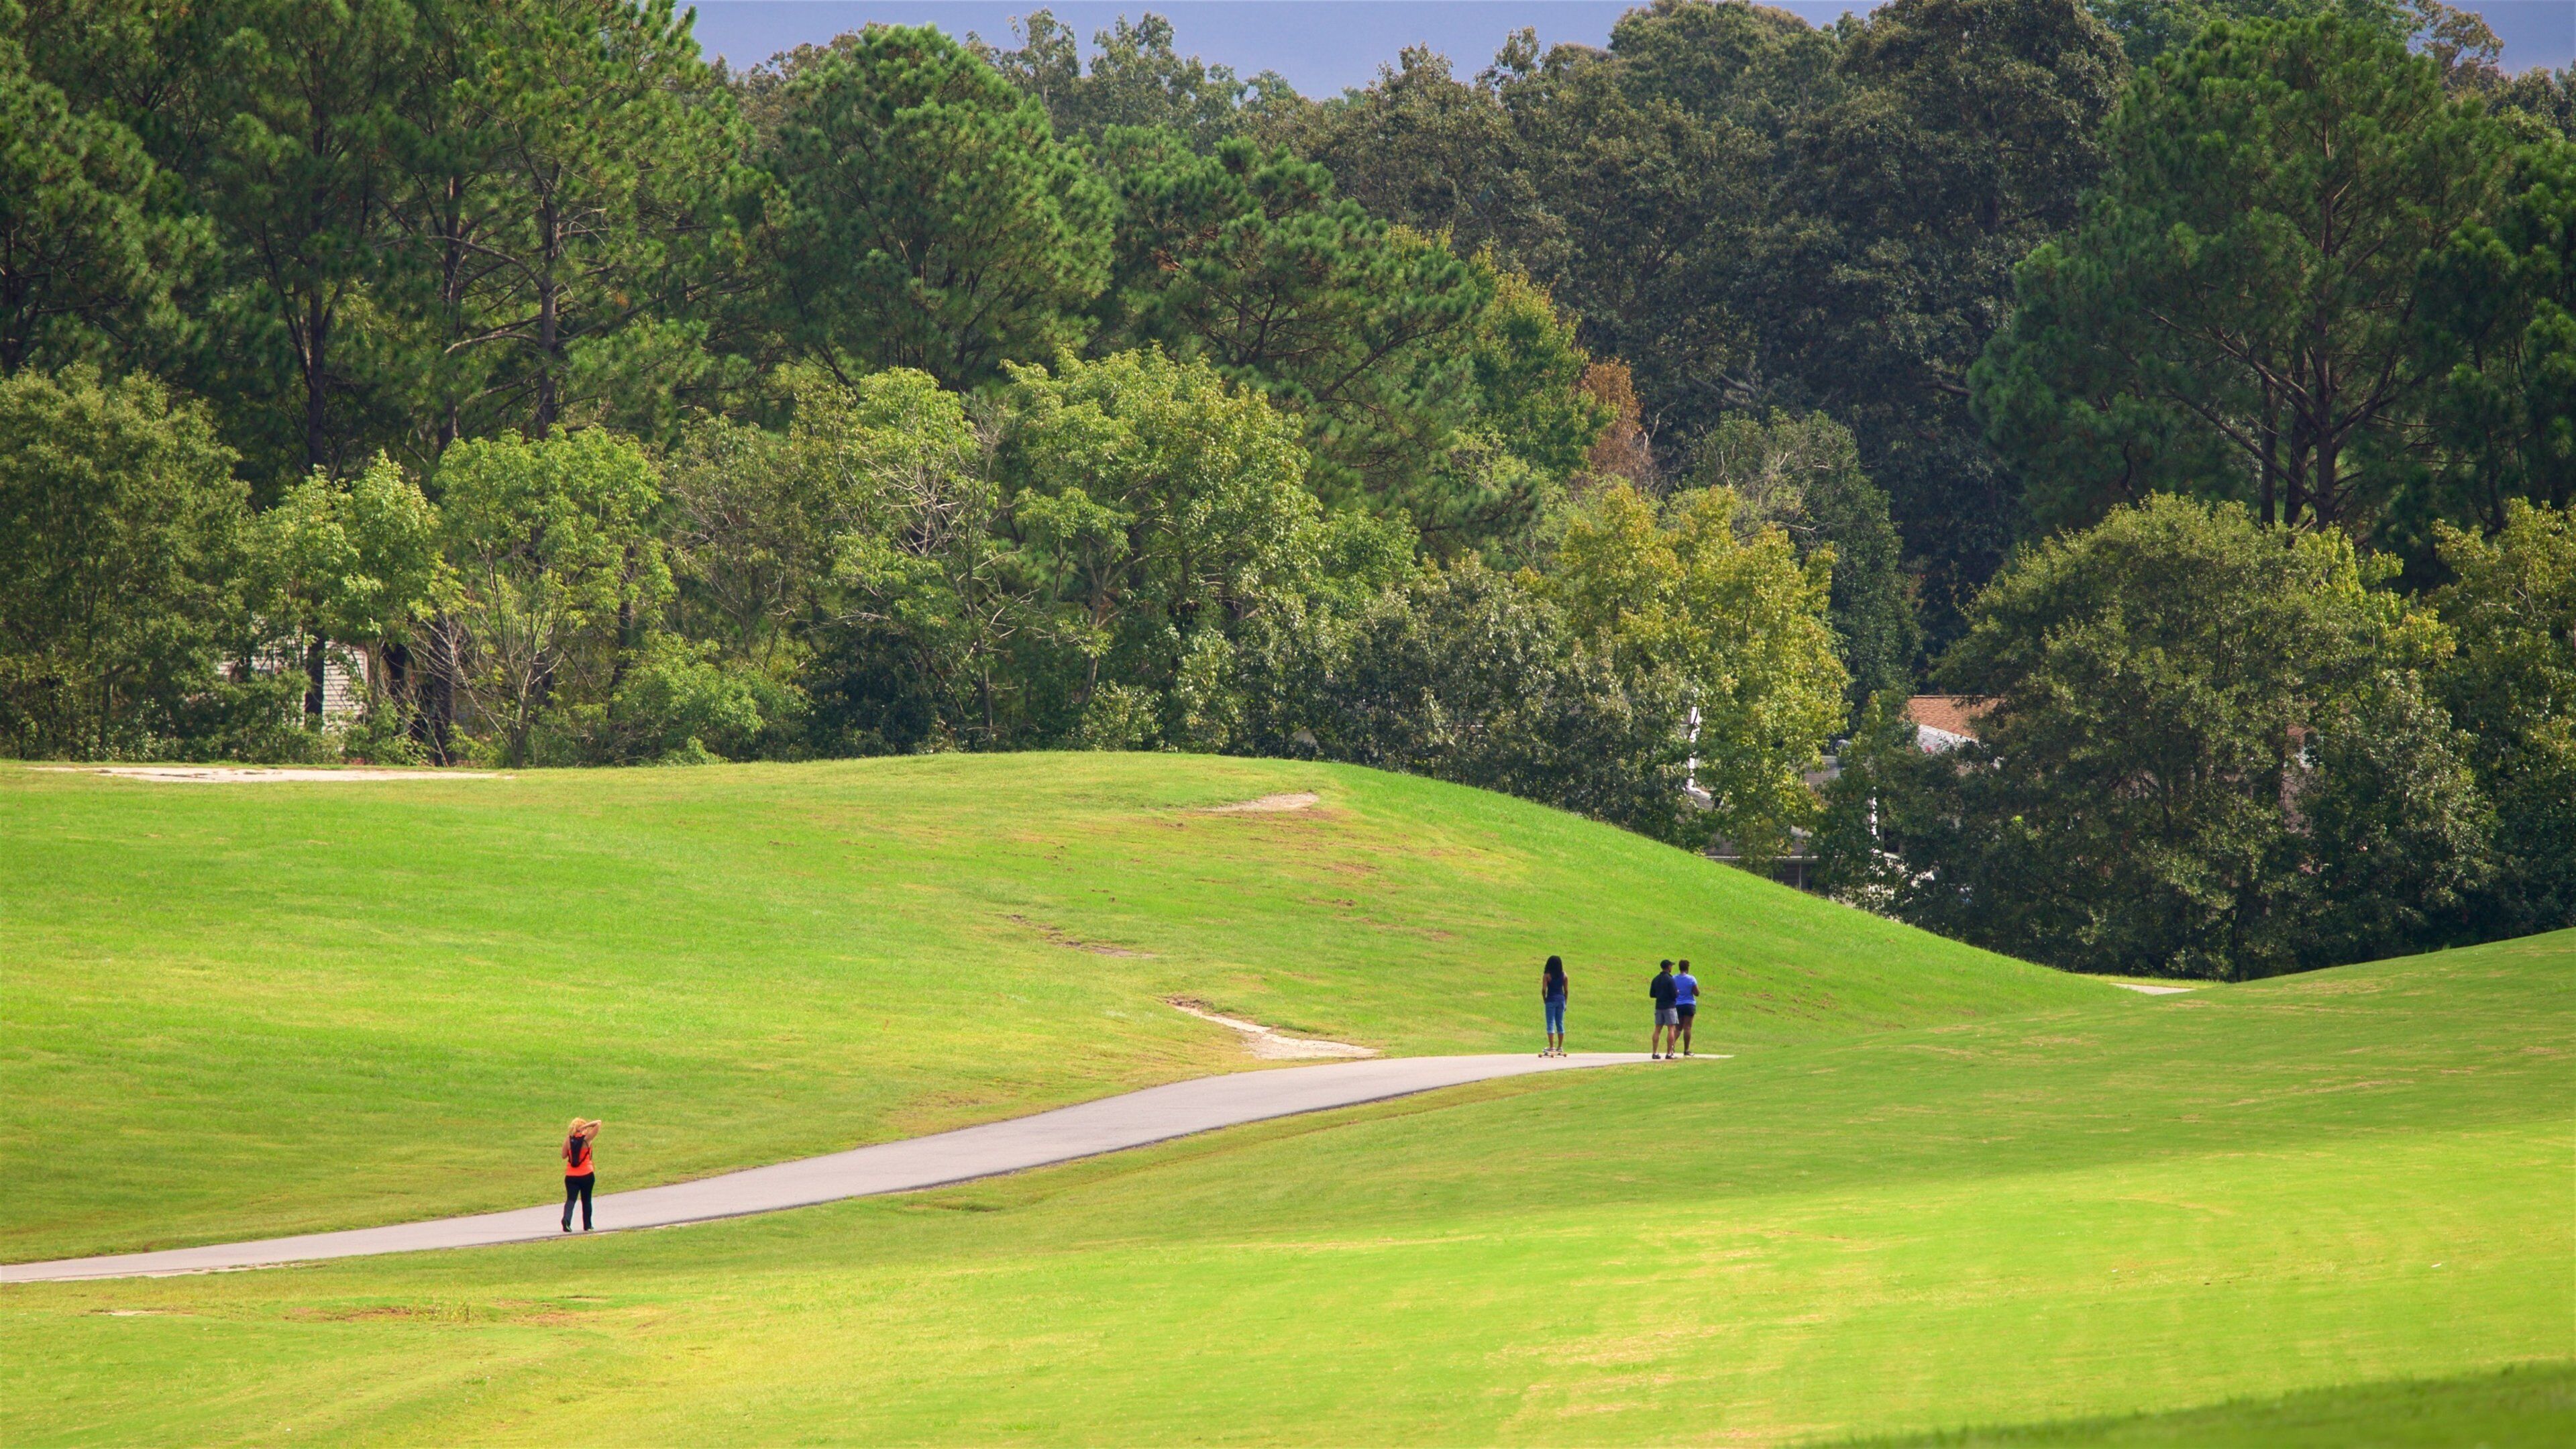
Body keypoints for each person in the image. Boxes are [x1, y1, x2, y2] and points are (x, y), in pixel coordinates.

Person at [562, 1118, 600, 1232]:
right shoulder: (587, 1139)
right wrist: (585, 1127)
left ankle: (566, 1220)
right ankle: (587, 1225)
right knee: (586, 1200)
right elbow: (598, 1123)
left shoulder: (568, 1140)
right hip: (587, 1174)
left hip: (571, 1175)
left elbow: (564, 1156)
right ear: (582, 1128)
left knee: (571, 1199)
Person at [1540, 955, 1570, 1057]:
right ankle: (1560, 1047)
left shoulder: (1547, 976)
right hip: (1561, 1000)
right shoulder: (1564, 975)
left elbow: (1544, 990)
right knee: (1560, 1023)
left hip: (1551, 1000)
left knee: (1550, 1023)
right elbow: (1566, 991)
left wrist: (1545, 999)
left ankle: (1552, 1046)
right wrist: (1565, 1002)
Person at [1648, 960, 1678, 1059]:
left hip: (1659, 1006)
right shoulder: (1670, 979)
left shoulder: (1656, 979)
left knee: (1657, 1029)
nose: (1672, 968)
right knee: (1671, 1029)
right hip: (1669, 1006)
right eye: (1671, 966)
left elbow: (1652, 994)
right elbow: (1674, 995)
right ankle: (1669, 1053)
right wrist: (1677, 992)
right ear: (1668, 967)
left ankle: (1655, 1052)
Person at [1673, 959, 1701, 1057]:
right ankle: (1686, 1050)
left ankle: (1671, 1046)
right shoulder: (1691, 979)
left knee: (1678, 1028)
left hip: (1678, 1004)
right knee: (1687, 1028)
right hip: (1689, 1004)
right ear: (1687, 968)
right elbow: (1697, 993)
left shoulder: (1674, 978)